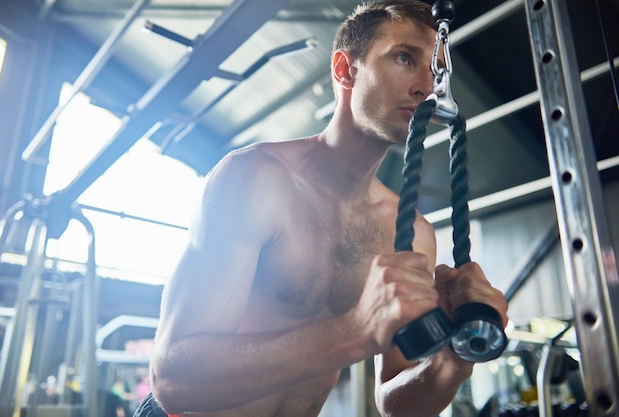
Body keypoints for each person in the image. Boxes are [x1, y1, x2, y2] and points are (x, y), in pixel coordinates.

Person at [136, 1, 509, 416]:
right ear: (345, 70)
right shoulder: (254, 180)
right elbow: (174, 380)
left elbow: (394, 405)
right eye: (405, 58)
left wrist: (450, 364)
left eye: (436, 69)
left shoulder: (413, 233)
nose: (428, 86)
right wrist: (357, 330)